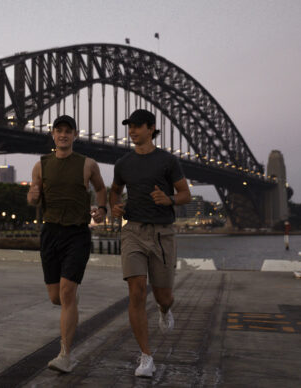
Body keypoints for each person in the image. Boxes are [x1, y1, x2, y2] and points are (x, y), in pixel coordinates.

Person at [109, 109, 191, 377]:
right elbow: (114, 191)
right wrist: (114, 206)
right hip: (132, 230)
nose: (132, 131)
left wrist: (169, 199)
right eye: (129, 126)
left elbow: (185, 194)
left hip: (162, 233)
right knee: (136, 291)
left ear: (151, 128)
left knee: (163, 296)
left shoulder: (167, 161)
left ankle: (164, 309)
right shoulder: (123, 163)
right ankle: (146, 357)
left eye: (137, 126)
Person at [27, 114, 107, 373]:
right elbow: (33, 199)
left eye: (67, 131)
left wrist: (102, 209)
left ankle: (65, 355)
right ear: (52, 134)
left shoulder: (88, 164)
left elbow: (101, 189)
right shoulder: (41, 165)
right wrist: (31, 195)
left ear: (75, 135)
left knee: (66, 293)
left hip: (77, 234)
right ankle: (70, 301)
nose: (63, 135)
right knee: (55, 297)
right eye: (58, 130)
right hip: (50, 233)